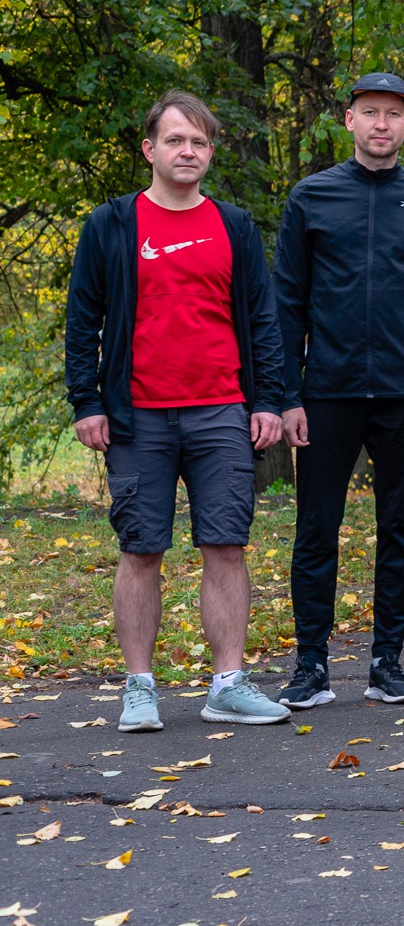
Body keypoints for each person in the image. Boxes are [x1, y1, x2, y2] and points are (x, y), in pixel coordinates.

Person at [64, 91, 290, 731]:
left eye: (198, 143)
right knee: (141, 550)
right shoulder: (112, 225)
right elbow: (83, 321)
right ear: (150, 149)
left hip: (221, 411)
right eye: (174, 141)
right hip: (137, 415)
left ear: (210, 152)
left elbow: (264, 321)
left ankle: (228, 684)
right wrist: (87, 401)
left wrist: (268, 400)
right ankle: (140, 690)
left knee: (227, 546)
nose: (187, 151)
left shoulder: (235, 226)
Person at [273, 72, 404, 712]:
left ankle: (388, 662)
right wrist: (287, 394)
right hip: (325, 394)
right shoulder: (312, 198)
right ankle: (311, 667)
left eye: (393, 114)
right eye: (369, 112)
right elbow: (286, 304)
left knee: (399, 529)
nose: (381, 124)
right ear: (349, 121)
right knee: (315, 529)